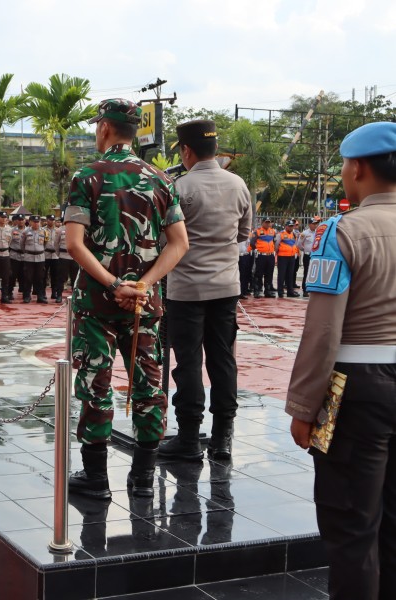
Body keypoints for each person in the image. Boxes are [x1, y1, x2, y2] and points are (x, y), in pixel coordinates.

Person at [287, 121, 396, 600]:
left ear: (357, 168)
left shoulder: (343, 231)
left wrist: (303, 407)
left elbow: (324, 330)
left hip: (357, 387)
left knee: (351, 522)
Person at [64, 98, 189, 500]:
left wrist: (113, 284)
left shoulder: (87, 175)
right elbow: (179, 244)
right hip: (144, 306)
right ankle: (143, 477)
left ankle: (97, 479)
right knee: (149, 384)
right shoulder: (160, 178)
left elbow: (74, 244)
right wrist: (144, 284)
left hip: (97, 305)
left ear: (104, 128)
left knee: (95, 383)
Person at [158, 119, 252, 462]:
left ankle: (187, 436)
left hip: (186, 290)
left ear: (186, 150)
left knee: (188, 363)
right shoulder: (238, 184)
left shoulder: (180, 188)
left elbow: (164, 239)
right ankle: (223, 437)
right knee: (223, 360)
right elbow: (244, 233)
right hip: (226, 287)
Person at [20, 215, 48, 303]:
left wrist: (40, 250)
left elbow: (45, 244)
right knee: (28, 277)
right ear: (31, 222)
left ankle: (40, 296)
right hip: (29, 258)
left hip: (40, 257)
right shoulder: (25, 232)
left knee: (40, 278)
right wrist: (28, 251)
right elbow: (22, 244)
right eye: (34, 222)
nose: (36, 223)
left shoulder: (44, 232)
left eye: (38, 222)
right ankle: (27, 296)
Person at [250, 218, 277, 298]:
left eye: (269, 222)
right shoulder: (257, 231)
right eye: (266, 222)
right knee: (259, 273)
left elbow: (274, 241)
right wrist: (257, 249)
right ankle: (257, 290)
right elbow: (252, 242)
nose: (267, 224)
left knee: (269, 274)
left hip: (270, 255)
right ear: (262, 223)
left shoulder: (273, 231)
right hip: (261, 255)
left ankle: (268, 291)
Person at [275, 219, 300, 297]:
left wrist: (295, 253)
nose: (291, 228)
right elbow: (276, 245)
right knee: (281, 275)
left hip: (291, 257)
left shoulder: (294, 234)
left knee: (290, 274)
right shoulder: (281, 234)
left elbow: (295, 244)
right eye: (289, 226)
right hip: (282, 257)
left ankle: (290, 291)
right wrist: (277, 254)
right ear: (286, 226)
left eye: (292, 226)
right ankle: (280, 291)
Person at [55, 218, 78, 304]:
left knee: (75, 278)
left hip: (75, 258)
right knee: (61, 277)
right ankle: (59, 295)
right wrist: (59, 254)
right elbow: (56, 244)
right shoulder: (60, 230)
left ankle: (75, 295)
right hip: (63, 257)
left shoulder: (78, 229)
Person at [297, 215, 321, 297]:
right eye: (314, 224)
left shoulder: (318, 233)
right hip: (308, 255)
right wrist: (305, 250)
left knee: (315, 273)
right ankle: (305, 290)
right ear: (310, 224)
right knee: (307, 272)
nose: (315, 225)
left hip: (316, 256)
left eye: (316, 224)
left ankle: (313, 289)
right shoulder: (305, 233)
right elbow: (299, 244)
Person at [9, 213, 26, 298]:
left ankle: (25, 294)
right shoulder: (12, 231)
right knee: (12, 275)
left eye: (22, 220)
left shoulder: (28, 231)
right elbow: (8, 242)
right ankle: (9, 293)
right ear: (16, 221)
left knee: (25, 276)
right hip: (14, 255)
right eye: (19, 220)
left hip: (25, 256)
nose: (20, 221)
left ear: (25, 220)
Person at [44, 215, 59, 299]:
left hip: (55, 255)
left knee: (55, 275)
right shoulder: (42, 230)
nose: (52, 221)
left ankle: (54, 292)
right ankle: (43, 293)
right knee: (44, 275)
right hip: (46, 254)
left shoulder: (58, 230)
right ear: (47, 220)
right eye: (50, 220)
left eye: (53, 220)